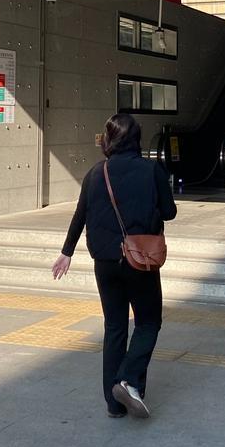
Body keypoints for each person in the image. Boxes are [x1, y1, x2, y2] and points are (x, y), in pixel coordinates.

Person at [52, 112, 177, 419]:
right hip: (139, 260)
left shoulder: (97, 173)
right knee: (148, 322)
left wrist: (67, 252)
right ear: (136, 139)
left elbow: (80, 214)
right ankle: (129, 381)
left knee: (115, 327)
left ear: (109, 139)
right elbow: (169, 212)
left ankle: (114, 404)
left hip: (105, 263)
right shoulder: (151, 170)